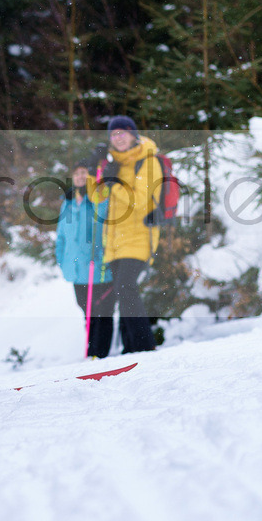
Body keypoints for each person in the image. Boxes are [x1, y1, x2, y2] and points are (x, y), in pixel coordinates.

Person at [87, 116, 159, 353]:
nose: (118, 138)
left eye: (122, 133)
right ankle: (131, 347)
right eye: (113, 134)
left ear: (133, 135)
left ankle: (144, 346)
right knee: (121, 291)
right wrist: (94, 170)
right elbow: (96, 197)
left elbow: (138, 202)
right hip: (115, 241)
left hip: (140, 237)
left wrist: (113, 181)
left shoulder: (147, 161)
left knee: (125, 287)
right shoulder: (114, 164)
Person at [55, 161, 117, 359]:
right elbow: (61, 235)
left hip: (98, 267)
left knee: (102, 312)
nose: (80, 177)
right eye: (77, 173)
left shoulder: (98, 198)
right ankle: (92, 353)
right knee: (87, 313)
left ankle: (101, 354)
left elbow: (105, 215)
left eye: (84, 173)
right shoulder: (68, 203)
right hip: (75, 270)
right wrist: (60, 258)